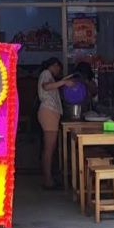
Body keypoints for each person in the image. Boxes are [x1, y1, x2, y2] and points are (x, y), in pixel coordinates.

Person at [37, 57, 75, 189]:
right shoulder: (46, 73)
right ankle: (48, 180)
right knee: (49, 148)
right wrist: (63, 82)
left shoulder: (49, 76)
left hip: (50, 113)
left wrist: (62, 81)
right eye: (58, 67)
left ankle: (49, 178)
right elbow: (46, 86)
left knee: (50, 148)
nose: (59, 70)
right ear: (54, 65)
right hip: (49, 112)